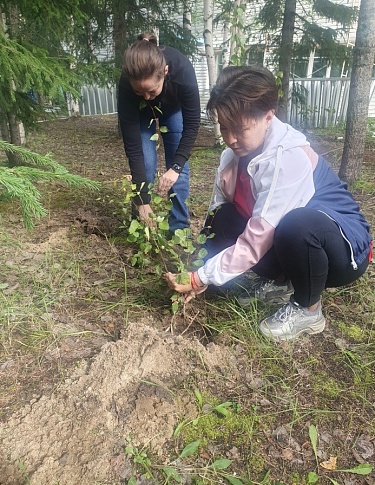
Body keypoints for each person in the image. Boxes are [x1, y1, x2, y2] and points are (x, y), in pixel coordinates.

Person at [164, 65, 373, 341]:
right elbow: (215, 218)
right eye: (224, 127)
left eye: (239, 129)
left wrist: (201, 277)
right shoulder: (231, 158)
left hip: (343, 251)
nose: (230, 139)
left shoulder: (288, 157)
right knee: (225, 217)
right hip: (291, 243)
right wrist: (198, 266)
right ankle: (282, 283)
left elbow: (257, 239)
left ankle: (308, 309)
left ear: (268, 117)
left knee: (295, 225)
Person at [118, 33, 201, 231]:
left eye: (152, 91)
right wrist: (143, 200)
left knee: (178, 169)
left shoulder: (182, 71)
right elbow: (133, 147)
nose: (146, 97)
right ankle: (140, 223)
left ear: (165, 72)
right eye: (139, 92)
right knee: (145, 164)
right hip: (141, 115)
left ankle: (179, 228)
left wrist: (176, 167)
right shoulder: (126, 83)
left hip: (173, 109)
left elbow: (192, 124)